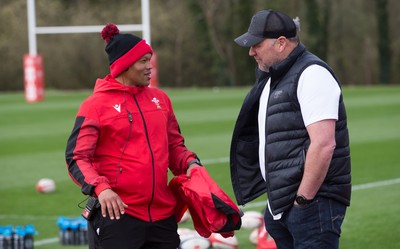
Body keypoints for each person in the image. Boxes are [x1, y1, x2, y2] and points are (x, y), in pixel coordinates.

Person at [65, 23, 201, 249]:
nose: (150, 67)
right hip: (117, 215)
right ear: (125, 66)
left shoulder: (161, 100)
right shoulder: (94, 106)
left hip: (162, 215)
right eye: (143, 61)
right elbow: (77, 157)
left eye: (150, 59)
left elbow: (174, 146)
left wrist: (190, 163)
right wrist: (102, 188)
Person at [230, 10, 351, 249]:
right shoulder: (274, 77)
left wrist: (302, 201)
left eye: (256, 44)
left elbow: (324, 144)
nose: (251, 51)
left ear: (281, 43)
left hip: (312, 205)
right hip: (283, 206)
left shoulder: (312, 74)